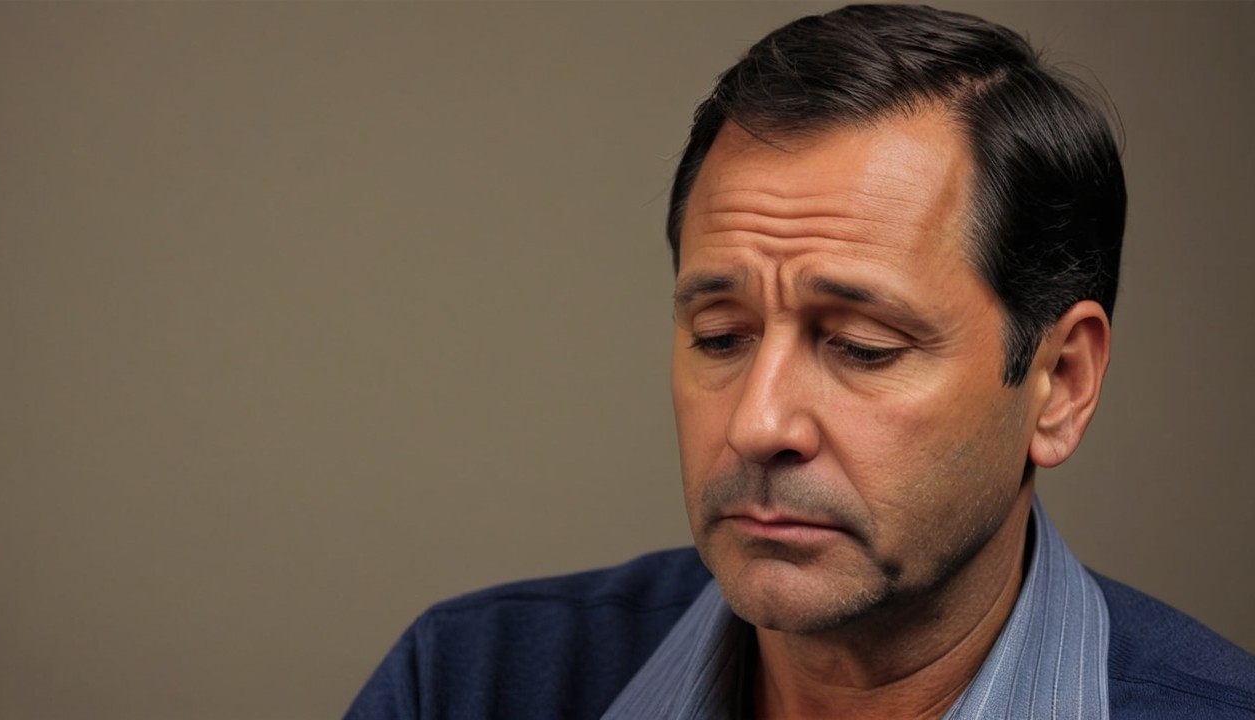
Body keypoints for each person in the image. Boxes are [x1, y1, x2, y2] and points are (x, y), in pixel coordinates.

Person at [345, 5, 1255, 718]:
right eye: (721, 336)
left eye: (862, 347)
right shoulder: (466, 686)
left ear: (1061, 385)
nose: (757, 423)